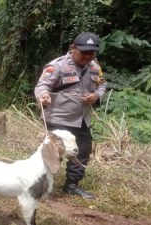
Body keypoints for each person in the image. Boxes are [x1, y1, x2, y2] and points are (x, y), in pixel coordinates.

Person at [34, 32, 106, 200]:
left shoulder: (95, 66)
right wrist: (43, 95)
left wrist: (96, 96)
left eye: (92, 53)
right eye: (84, 53)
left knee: (82, 152)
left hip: (81, 119)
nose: (88, 57)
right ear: (73, 48)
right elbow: (42, 85)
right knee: (52, 152)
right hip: (59, 118)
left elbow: (102, 84)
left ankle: (71, 185)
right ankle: (38, 184)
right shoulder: (57, 65)